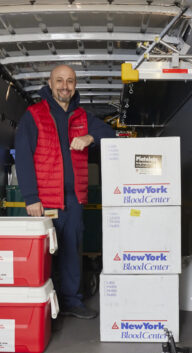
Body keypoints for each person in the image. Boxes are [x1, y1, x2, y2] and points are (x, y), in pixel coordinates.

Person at [14, 64, 115, 319]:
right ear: (50, 84)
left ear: (75, 85)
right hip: (44, 200)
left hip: (73, 200)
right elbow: (23, 157)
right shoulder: (34, 115)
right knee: (44, 256)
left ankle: (71, 301)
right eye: (59, 81)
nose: (64, 86)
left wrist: (90, 138)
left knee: (72, 251)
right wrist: (31, 197)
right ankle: (43, 304)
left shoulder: (82, 116)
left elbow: (110, 132)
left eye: (70, 81)